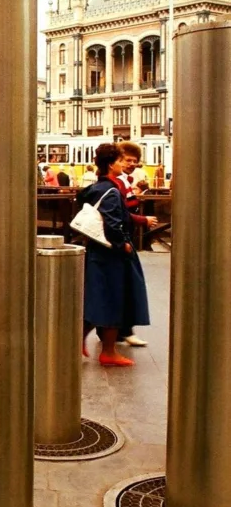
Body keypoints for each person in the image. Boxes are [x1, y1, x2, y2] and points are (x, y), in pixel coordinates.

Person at [79, 143, 151, 367]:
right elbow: (113, 221)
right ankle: (108, 351)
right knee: (113, 298)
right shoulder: (111, 190)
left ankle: (78, 339)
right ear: (111, 164)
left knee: (99, 298)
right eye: (121, 161)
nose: (125, 164)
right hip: (111, 255)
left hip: (98, 251)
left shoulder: (98, 187)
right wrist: (123, 245)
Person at [114, 141, 158, 346]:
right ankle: (122, 331)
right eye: (127, 160)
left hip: (122, 239)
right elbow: (122, 212)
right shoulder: (117, 183)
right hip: (121, 240)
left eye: (134, 161)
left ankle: (120, 331)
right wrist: (143, 220)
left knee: (121, 285)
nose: (131, 164)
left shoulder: (124, 180)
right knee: (127, 284)